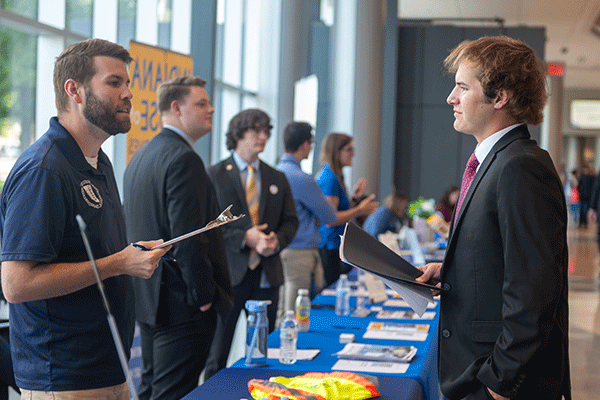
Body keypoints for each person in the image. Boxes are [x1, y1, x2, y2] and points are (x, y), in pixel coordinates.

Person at [0, 38, 169, 399]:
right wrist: (119, 263)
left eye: (127, 83)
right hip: (65, 378)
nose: (128, 94)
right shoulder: (44, 169)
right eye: (114, 83)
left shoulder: (99, 161)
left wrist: (130, 256)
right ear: (73, 90)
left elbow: (93, 254)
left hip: (110, 368)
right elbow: (16, 284)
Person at [417, 36, 570, 400]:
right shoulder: (498, 161)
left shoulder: (521, 167)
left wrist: (499, 385)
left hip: (498, 382)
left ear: (499, 97)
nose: (451, 98)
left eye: (462, 87)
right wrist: (452, 270)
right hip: (476, 370)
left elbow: (535, 293)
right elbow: (507, 260)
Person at [123, 77, 233, 400]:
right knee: (173, 393)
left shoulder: (141, 157)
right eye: (201, 103)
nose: (211, 109)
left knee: (151, 389)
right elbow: (189, 238)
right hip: (182, 304)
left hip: (149, 299)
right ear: (176, 109)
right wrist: (203, 295)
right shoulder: (184, 160)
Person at [204, 109, 299, 379]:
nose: (263, 137)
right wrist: (246, 237)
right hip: (230, 276)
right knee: (217, 354)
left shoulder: (277, 177)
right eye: (256, 131)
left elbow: (291, 221)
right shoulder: (215, 174)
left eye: (266, 131)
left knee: (261, 354)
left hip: (268, 275)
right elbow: (207, 227)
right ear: (237, 134)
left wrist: (276, 241)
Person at [274, 122, 338, 325]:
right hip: (299, 252)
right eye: (311, 143)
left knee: (283, 310)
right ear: (304, 145)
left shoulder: (273, 173)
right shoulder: (301, 178)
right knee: (293, 314)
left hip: (279, 250)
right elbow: (329, 216)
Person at [316, 133, 379, 286]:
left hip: (335, 244)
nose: (353, 154)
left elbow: (337, 210)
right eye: (349, 149)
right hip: (329, 246)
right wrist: (359, 209)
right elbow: (330, 219)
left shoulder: (336, 175)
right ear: (336, 151)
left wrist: (355, 200)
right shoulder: (329, 178)